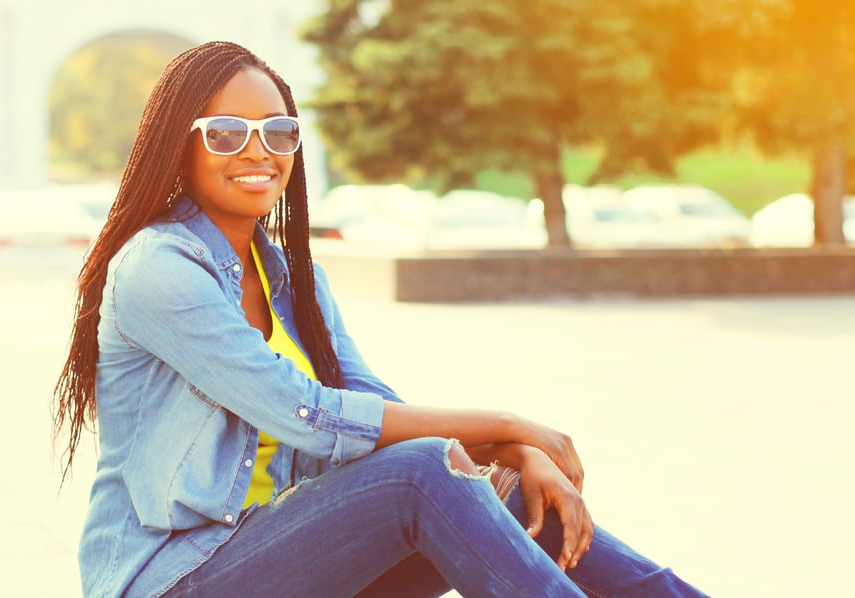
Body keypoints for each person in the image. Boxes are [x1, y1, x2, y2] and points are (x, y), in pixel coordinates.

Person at [54, 41, 707, 598]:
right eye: (227, 133)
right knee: (425, 472)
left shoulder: (292, 280)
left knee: (484, 485)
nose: (259, 152)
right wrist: (508, 425)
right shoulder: (157, 268)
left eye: (279, 133)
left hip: (278, 551)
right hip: (173, 577)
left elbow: (367, 403)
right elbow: (307, 412)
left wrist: (512, 456)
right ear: (181, 145)